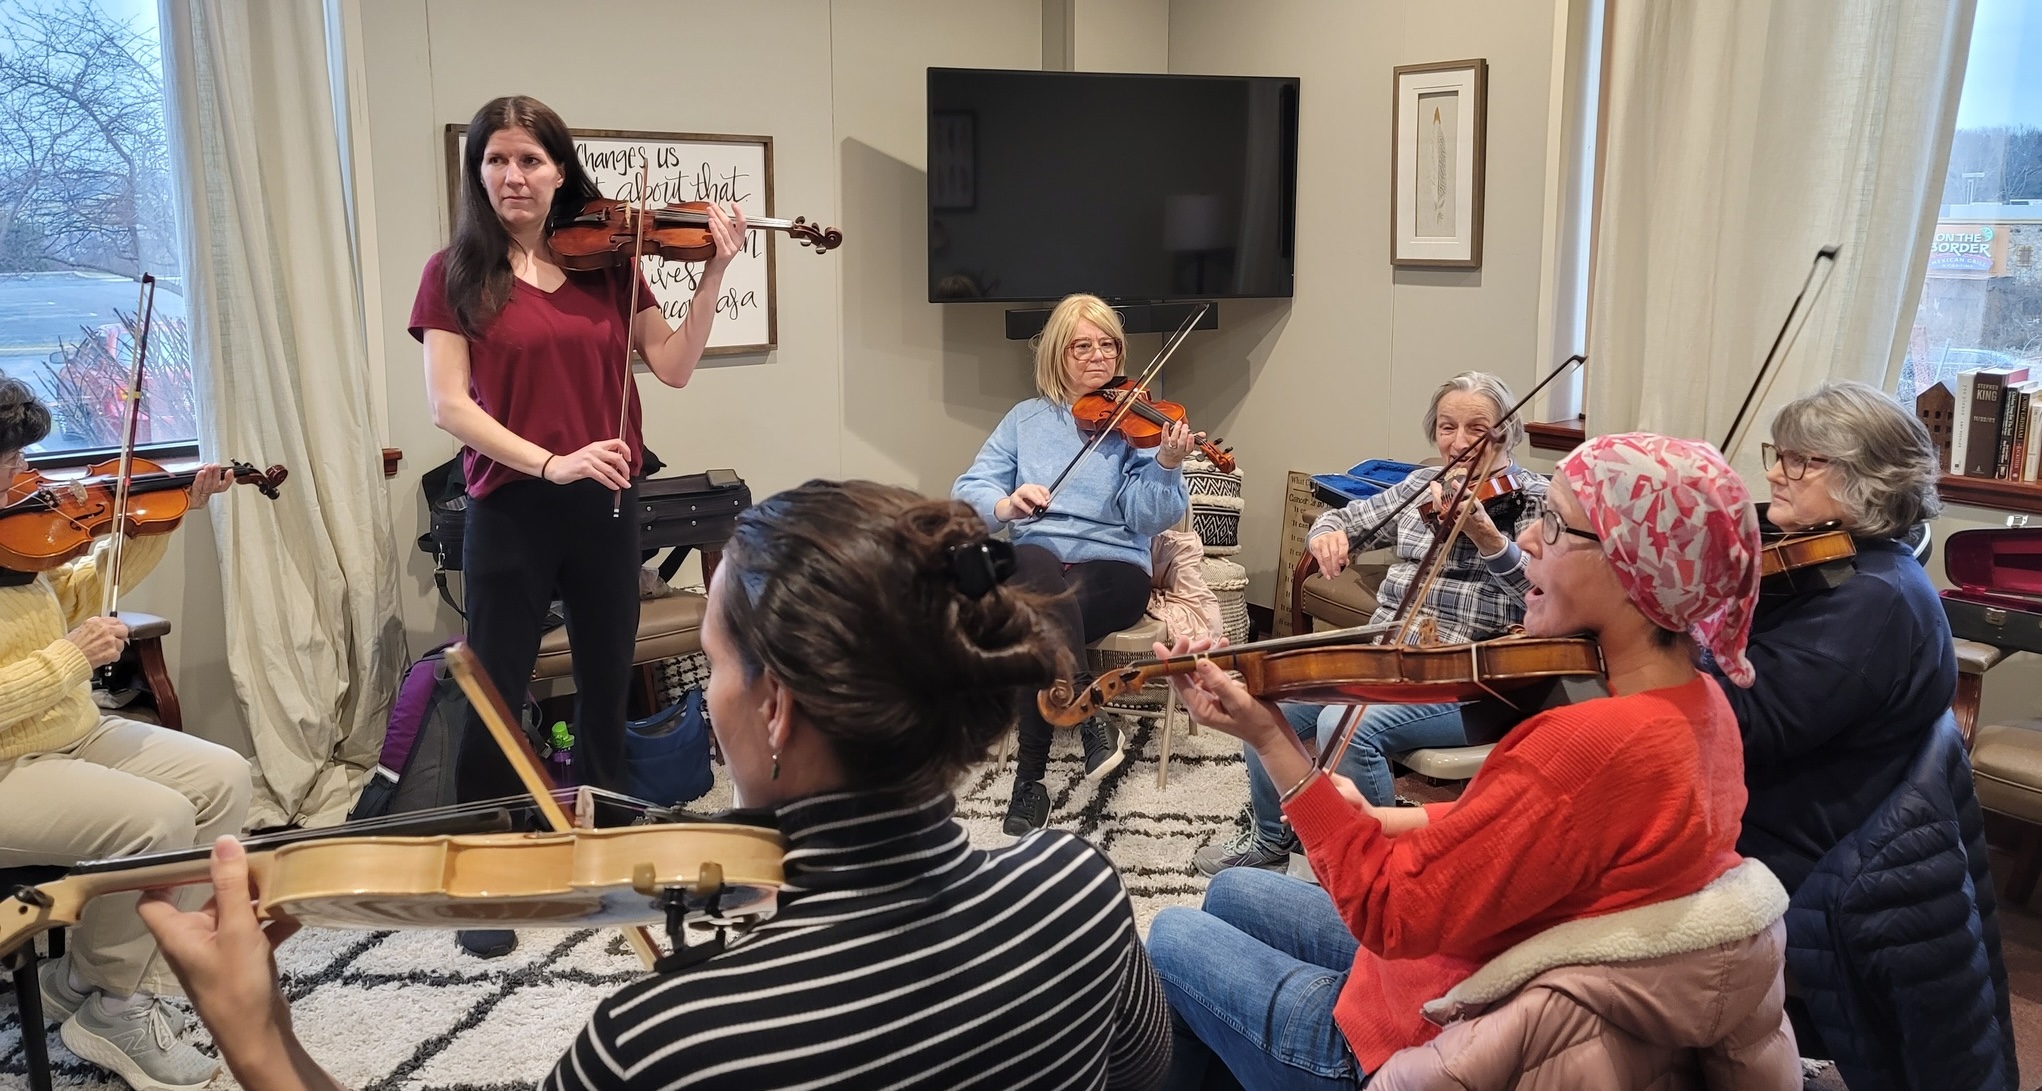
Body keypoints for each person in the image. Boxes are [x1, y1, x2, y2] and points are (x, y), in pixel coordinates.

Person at [137, 480, 1173, 1091]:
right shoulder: (1075, 889)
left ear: (774, 708)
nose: (712, 691)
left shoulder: (669, 1043)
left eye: (716, 662)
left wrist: (262, 1044)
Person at [1147, 433, 1797, 1089]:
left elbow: (1387, 908)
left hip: (1422, 1036)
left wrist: (1273, 742)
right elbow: (1530, 836)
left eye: (1555, 523)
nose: (1530, 543)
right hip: (1473, 956)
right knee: (1232, 889)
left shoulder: (1587, 746)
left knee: (1171, 937)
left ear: (1634, 567)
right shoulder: (1705, 703)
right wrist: (1379, 816)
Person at [408, 95, 744, 958]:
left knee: (605, 687)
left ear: (562, 170)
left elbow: (671, 367)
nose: (513, 177)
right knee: (494, 692)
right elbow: (449, 405)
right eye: (497, 161)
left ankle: (603, 860)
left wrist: (712, 274)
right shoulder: (455, 273)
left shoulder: (608, 265)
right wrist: (550, 461)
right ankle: (487, 880)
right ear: (478, 173)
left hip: (606, 505)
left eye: (530, 160)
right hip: (511, 508)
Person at [0, 377, 248, 1091]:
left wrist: (159, 521)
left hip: (67, 731)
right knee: (157, 819)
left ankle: (91, 979)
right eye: (11, 461)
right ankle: (118, 1001)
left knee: (224, 777)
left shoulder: (11, 541)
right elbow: (62, 650)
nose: (28, 475)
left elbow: (80, 592)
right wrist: (72, 656)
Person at [1198, 372, 1545, 876]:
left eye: (1478, 427)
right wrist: (1328, 536)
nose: (1461, 442)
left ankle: (1384, 871)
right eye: (1447, 427)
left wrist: (1491, 540)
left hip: (1471, 673)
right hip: (1384, 655)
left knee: (1342, 723)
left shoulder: (1535, 499)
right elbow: (1342, 517)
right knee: (1262, 694)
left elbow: (1542, 595)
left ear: (1507, 432)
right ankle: (1273, 840)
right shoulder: (1422, 485)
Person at [953, 293, 1194, 835]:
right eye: (1082, 346)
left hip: (1112, 567)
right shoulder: (1026, 420)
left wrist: (1167, 466)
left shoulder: (1139, 421)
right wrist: (1005, 504)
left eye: (1108, 344)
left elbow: (1145, 517)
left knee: (1036, 617)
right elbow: (970, 487)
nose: (1098, 357)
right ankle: (1085, 713)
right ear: (1057, 355)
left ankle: (1029, 785)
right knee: (1033, 562)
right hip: (1038, 559)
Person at [1712, 380, 1954, 895]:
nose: (1776, 474)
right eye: (1779, 455)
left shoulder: (1872, 599)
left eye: (1801, 461)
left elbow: (1742, 725)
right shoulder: (1838, 565)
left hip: (1787, 851)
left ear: (1868, 477)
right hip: (1765, 812)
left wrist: (1661, 630)